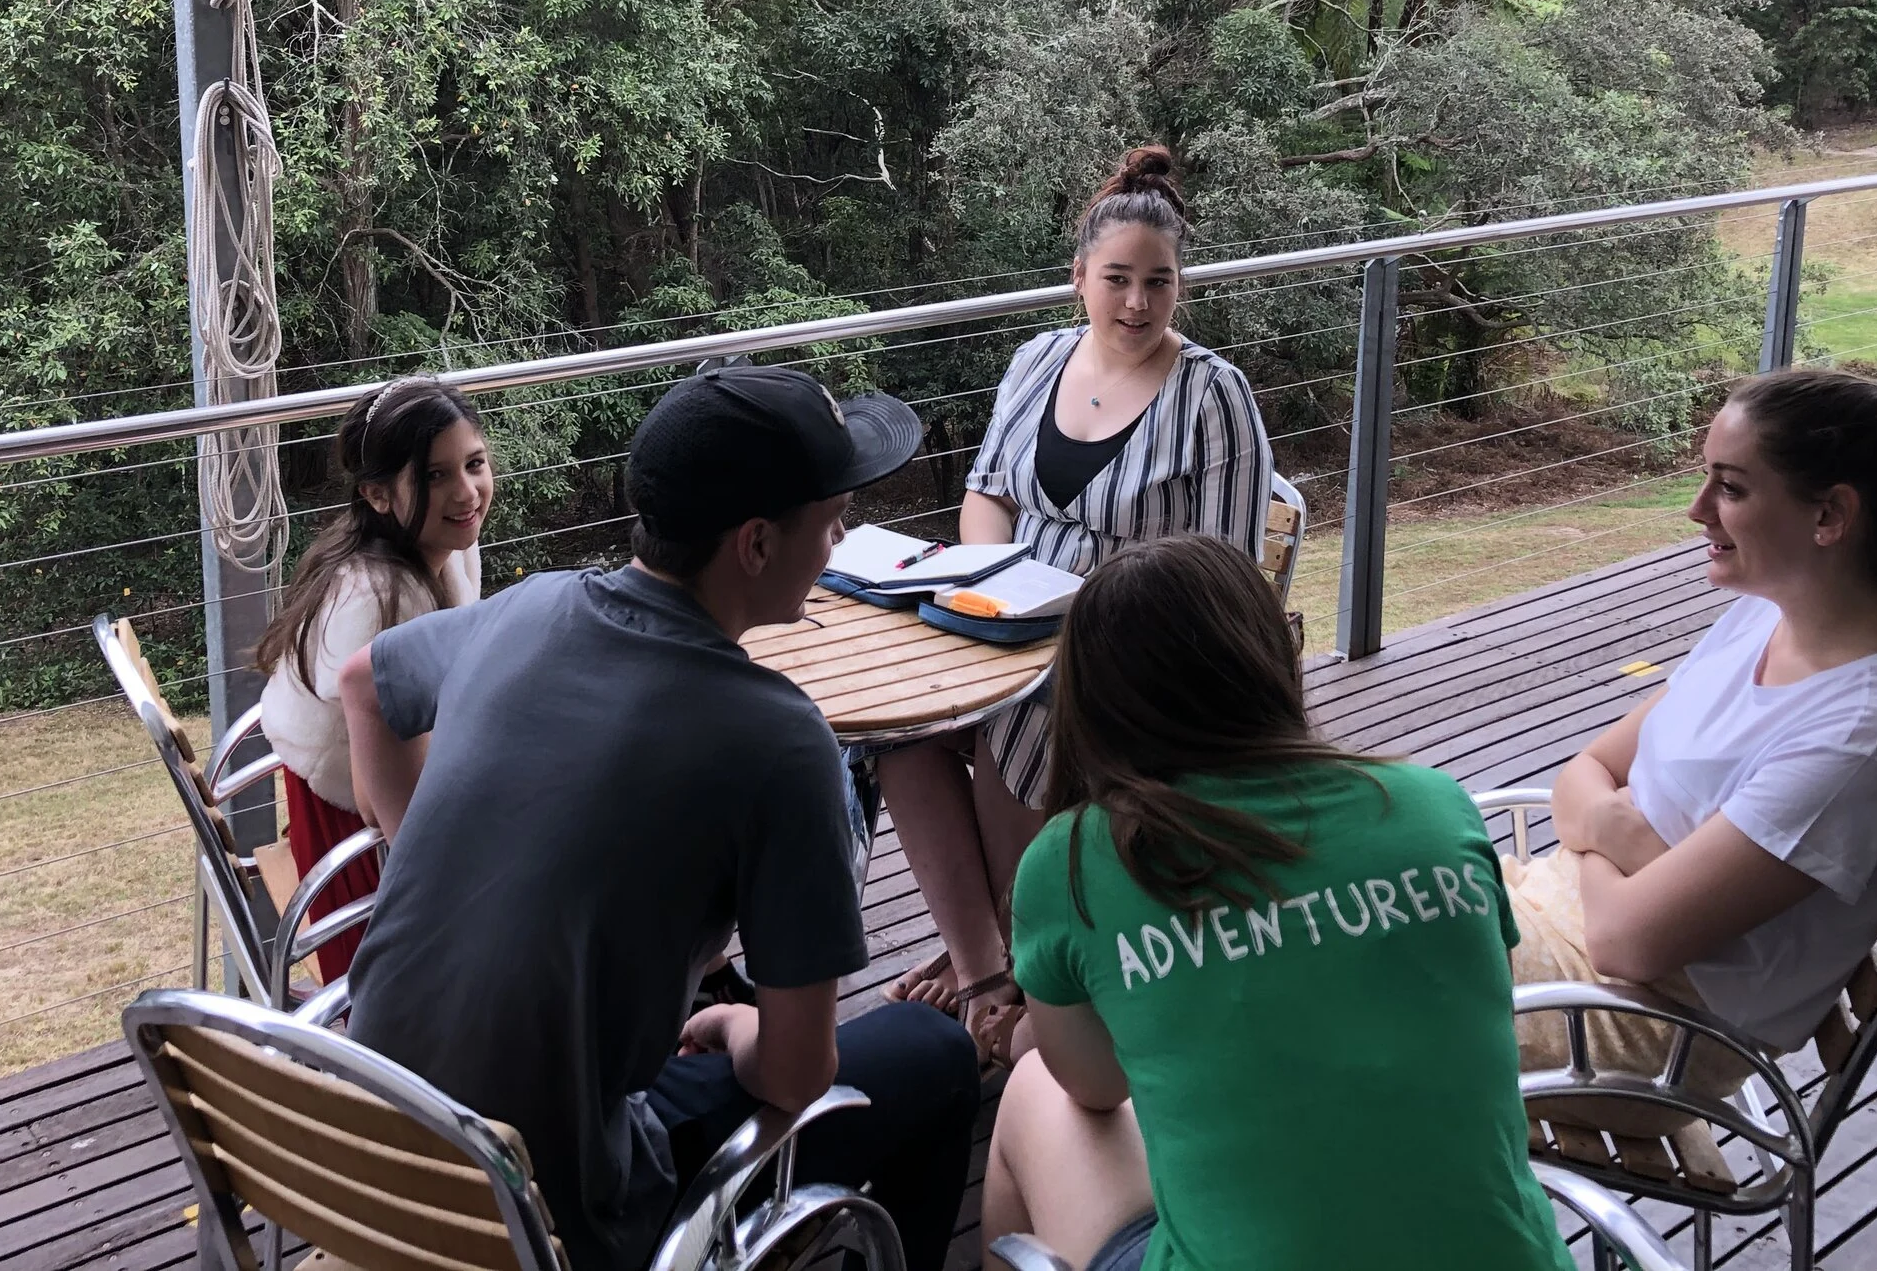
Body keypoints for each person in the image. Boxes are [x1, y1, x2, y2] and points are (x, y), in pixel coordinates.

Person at [337, 361, 981, 1271]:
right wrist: (734, 1026)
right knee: (935, 1048)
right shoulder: (779, 738)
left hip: (370, 1149)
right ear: (755, 544)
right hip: (553, 1213)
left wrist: (436, 858)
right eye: (832, 520)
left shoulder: (531, 604)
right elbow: (799, 1072)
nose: (840, 541)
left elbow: (363, 679)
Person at [984, 534, 1573, 1271]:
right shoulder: (1433, 805)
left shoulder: (1072, 862)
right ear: (1267, 657)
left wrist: (1020, 1034)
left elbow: (1098, 1087)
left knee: (1034, 1084)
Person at [880, 146, 1274, 1057]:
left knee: (1013, 722)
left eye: (1158, 283)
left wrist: (1075, 631)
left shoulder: (1213, 396)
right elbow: (986, 488)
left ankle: (1024, 959)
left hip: (1134, 649)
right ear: (1079, 279)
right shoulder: (1037, 360)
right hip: (1007, 616)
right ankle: (984, 962)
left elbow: (1223, 574)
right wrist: (992, 587)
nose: (1136, 303)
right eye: (1117, 279)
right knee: (898, 724)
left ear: (1182, 286)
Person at [1508, 363, 1877, 1090]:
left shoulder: (1864, 739)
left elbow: (1626, 943)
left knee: (1330, 957)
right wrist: (1622, 833)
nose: (1697, 509)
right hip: (1558, 919)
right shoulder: (1761, 619)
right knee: (1335, 906)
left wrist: (1607, 829)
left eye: (1730, 487)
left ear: (1830, 516)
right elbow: (1585, 770)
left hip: (1640, 1030)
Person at [253, 376, 493, 984]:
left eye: (475, 464)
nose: (467, 493)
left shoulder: (433, 549)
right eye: (435, 476)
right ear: (379, 495)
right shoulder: (382, 602)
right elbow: (382, 805)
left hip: (357, 815)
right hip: (362, 857)